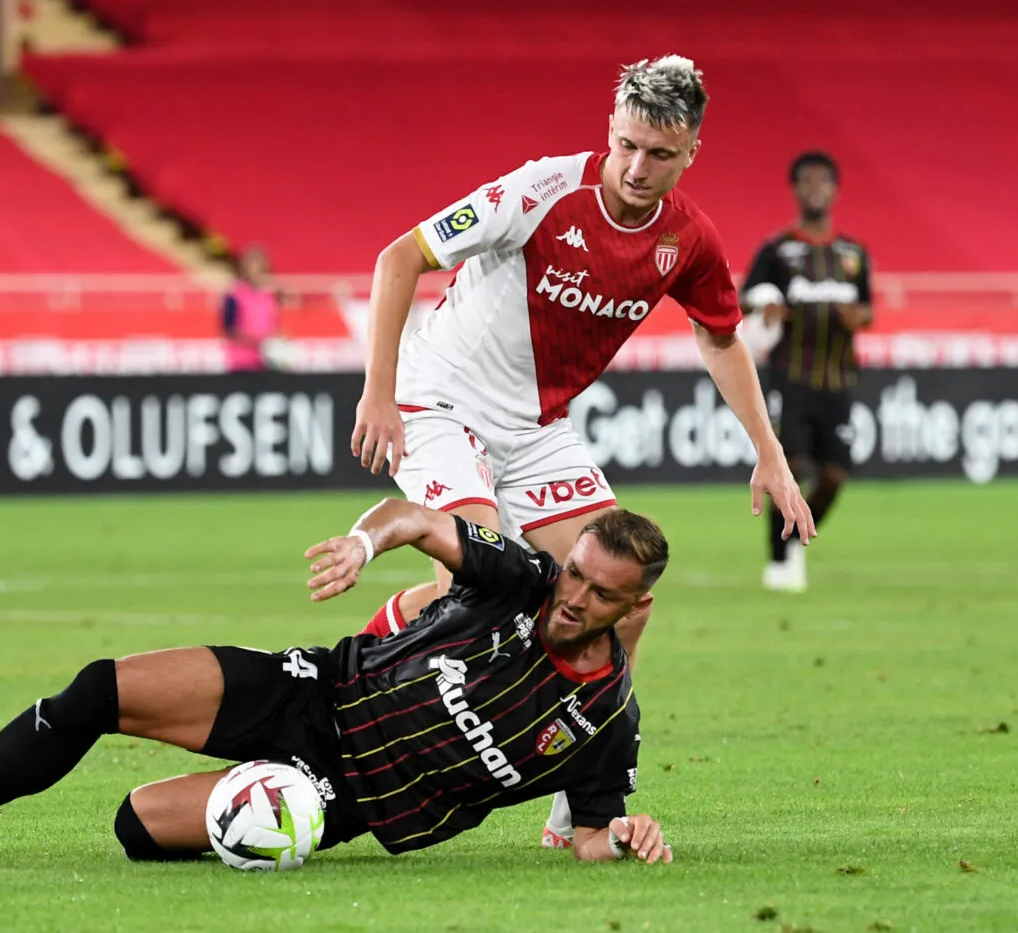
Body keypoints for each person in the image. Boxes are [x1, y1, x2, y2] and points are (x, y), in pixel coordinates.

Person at [347, 55, 814, 847]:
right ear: (609, 133)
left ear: (691, 151)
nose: (637, 167)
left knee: (625, 600)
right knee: (478, 590)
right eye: (627, 145)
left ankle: (578, 807)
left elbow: (720, 337)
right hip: (440, 403)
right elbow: (402, 257)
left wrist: (766, 449)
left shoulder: (686, 238)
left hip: (536, 430)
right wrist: (380, 392)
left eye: (659, 154)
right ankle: (343, 684)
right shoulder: (539, 192)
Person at [0, 501, 673, 867]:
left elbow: (592, 833)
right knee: (99, 687)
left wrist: (629, 840)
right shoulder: (521, 577)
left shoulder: (605, 723)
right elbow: (414, 517)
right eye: (574, 573)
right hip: (315, 688)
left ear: (636, 605)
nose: (572, 597)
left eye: (600, 593)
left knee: (136, 828)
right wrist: (362, 544)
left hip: (341, 795)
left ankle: (238, 806)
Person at [741, 151, 873, 593]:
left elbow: (867, 308)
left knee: (834, 477)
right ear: (795, 189)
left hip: (837, 383)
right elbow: (744, 299)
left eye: (823, 182)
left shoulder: (853, 254)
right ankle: (779, 560)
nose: (815, 189)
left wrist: (859, 316)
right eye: (806, 182)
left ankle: (797, 537)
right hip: (789, 381)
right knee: (789, 467)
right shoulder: (777, 251)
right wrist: (765, 305)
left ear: (835, 190)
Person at [220, 245, 282, 370]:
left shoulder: (269, 295)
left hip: (266, 360)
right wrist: (255, 340)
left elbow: (273, 325)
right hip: (241, 361)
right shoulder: (234, 294)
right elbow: (228, 330)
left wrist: (277, 340)